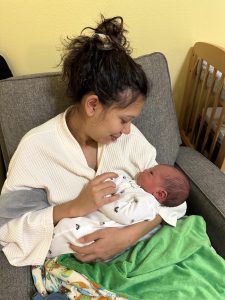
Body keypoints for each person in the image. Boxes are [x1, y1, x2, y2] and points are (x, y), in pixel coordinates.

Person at [0, 16, 186, 267]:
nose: (129, 130)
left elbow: (171, 201)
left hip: (136, 254)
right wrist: (75, 206)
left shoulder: (128, 141)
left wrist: (128, 236)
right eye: (123, 120)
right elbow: (8, 227)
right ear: (93, 104)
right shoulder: (37, 149)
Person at [48, 164, 189, 258]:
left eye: (151, 173)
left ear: (160, 194)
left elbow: (124, 215)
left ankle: (49, 251)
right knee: (64, 230)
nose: (146, 170)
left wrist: (100, 200)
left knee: (68, 233)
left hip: (96, 231)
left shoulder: (148, 202)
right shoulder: (137, 186)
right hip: (88, 221)